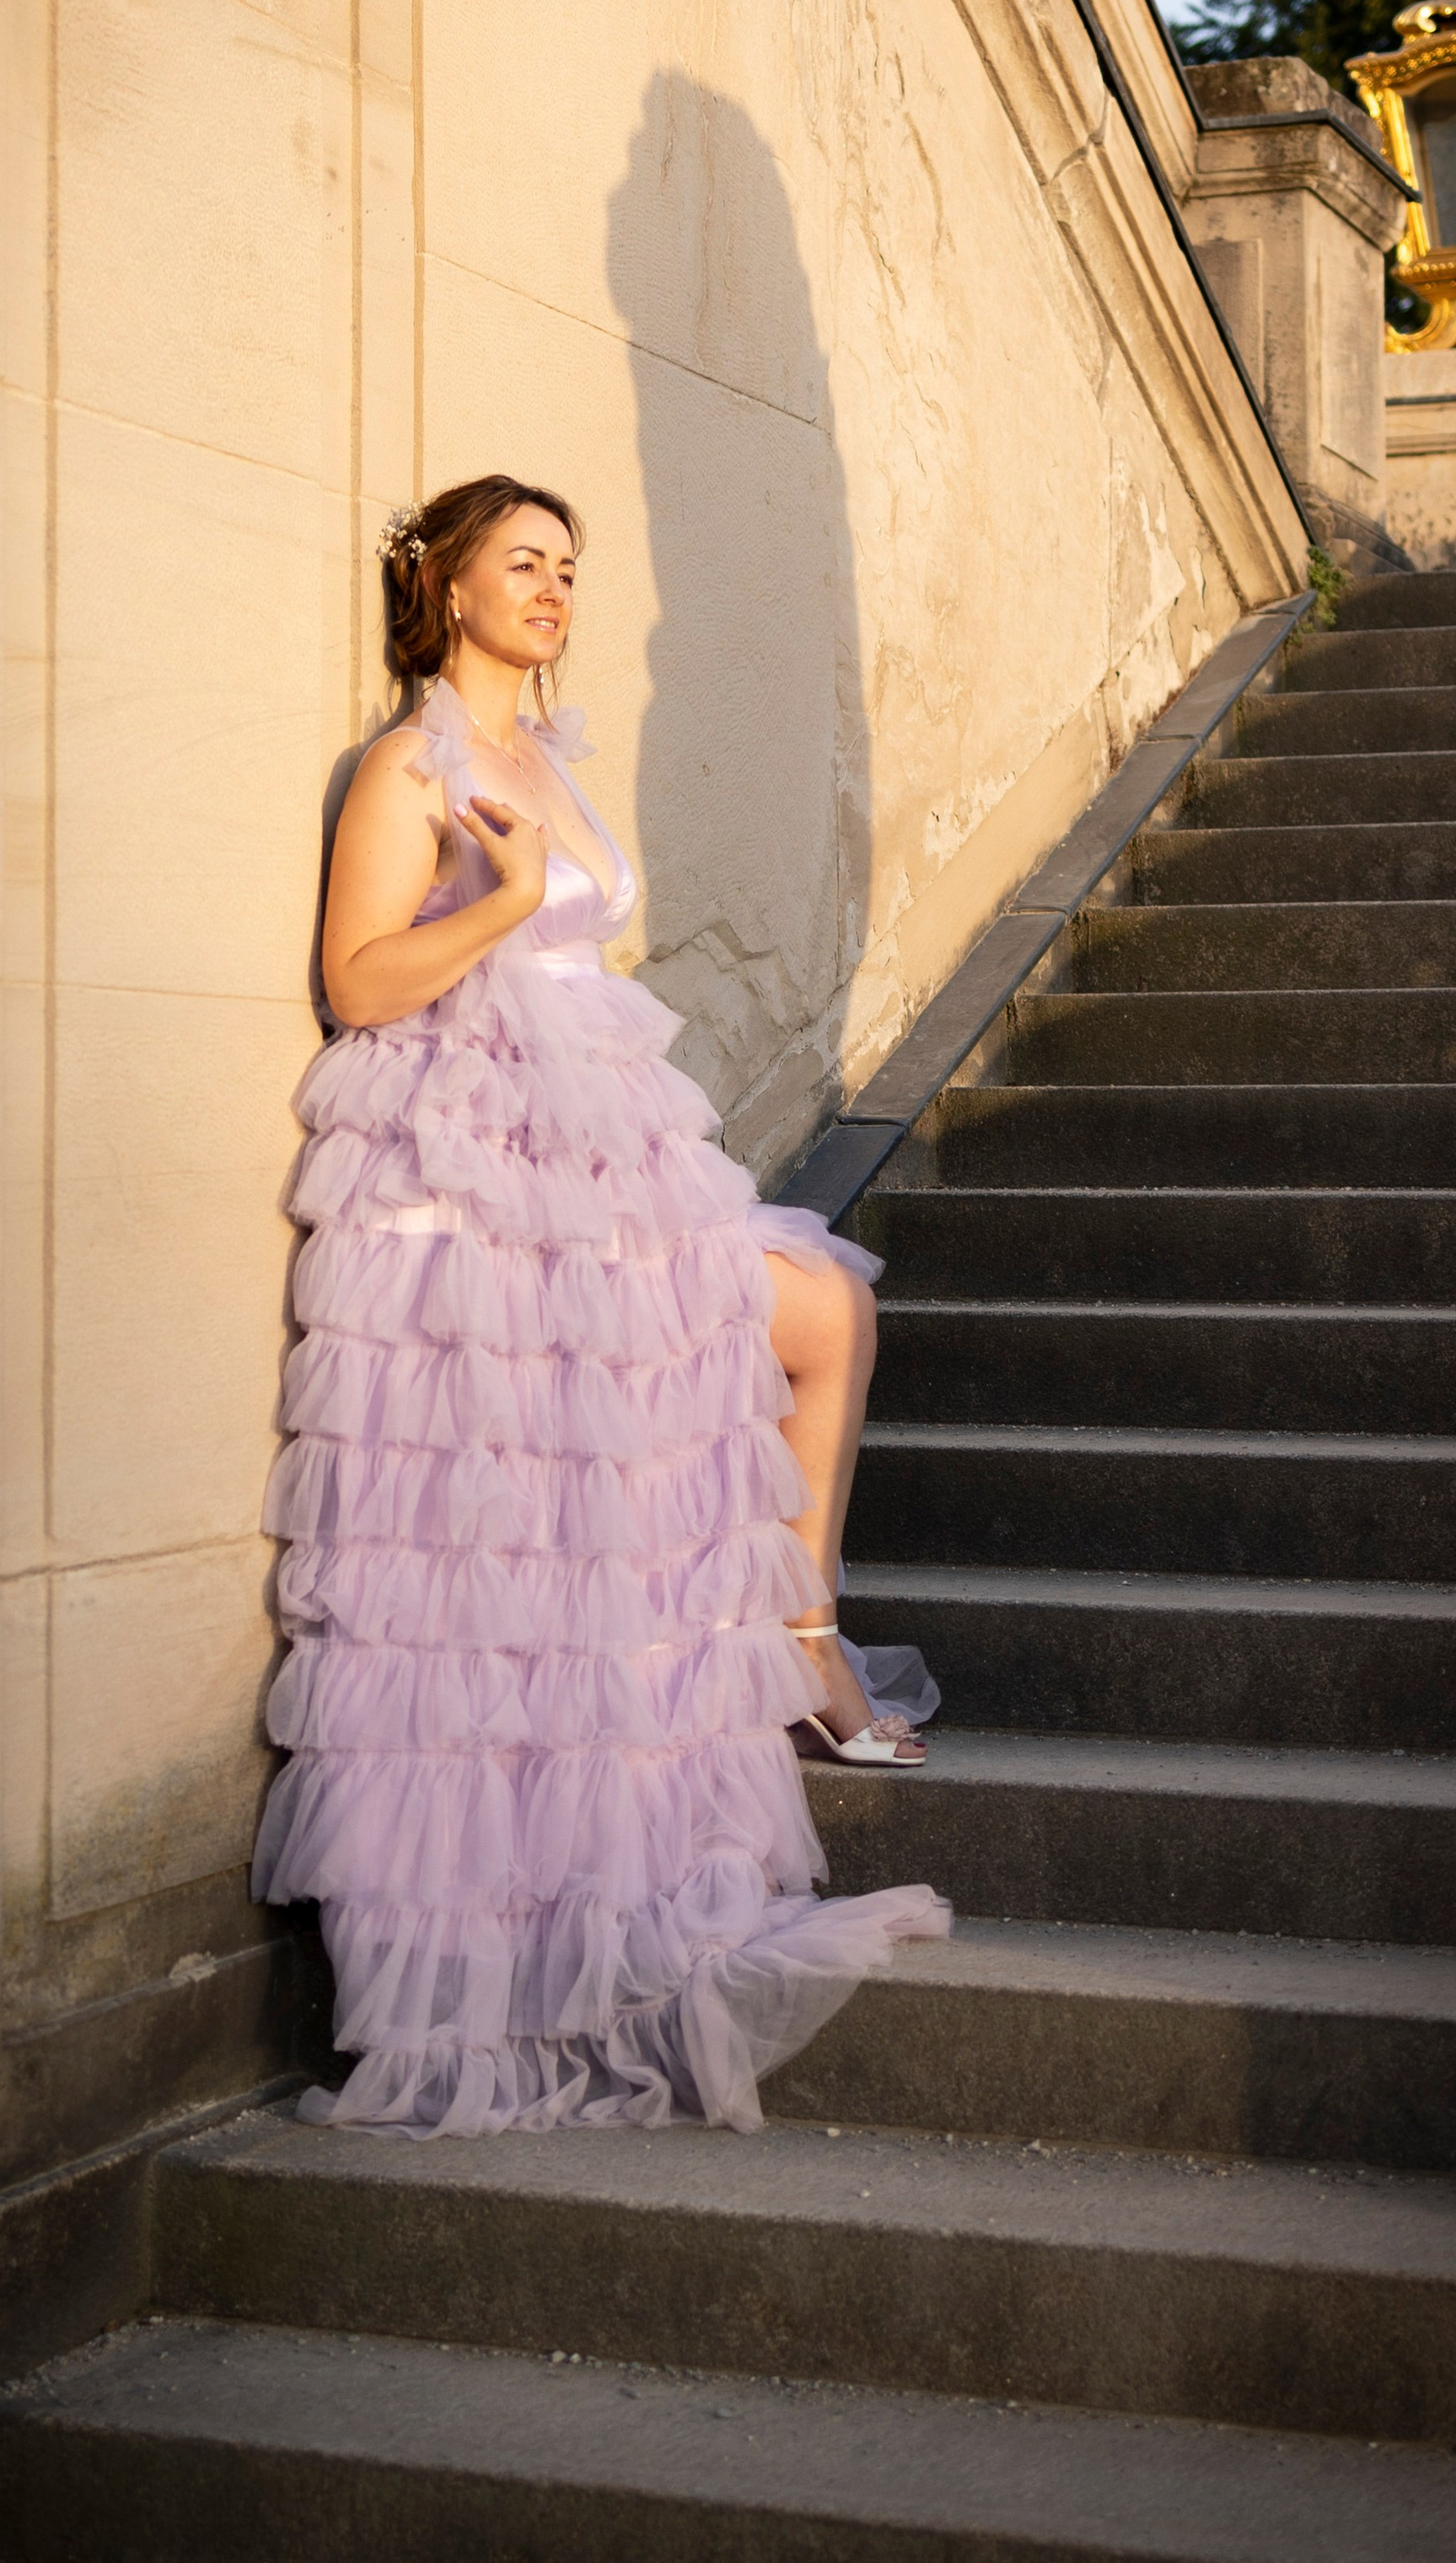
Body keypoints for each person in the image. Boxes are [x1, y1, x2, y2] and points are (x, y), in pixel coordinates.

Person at [251, 474, 948, 2135]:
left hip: (607, 1163)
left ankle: (801, 1636)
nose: (556, 592)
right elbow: (356, 983)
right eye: (525, 565)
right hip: (474, 1190)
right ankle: (516, 1943)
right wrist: (490, 906)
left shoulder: (546, 760)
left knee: (812, 1318)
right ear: (446, 587)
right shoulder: (406, 770)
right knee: (548, 1519)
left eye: (569, 568)